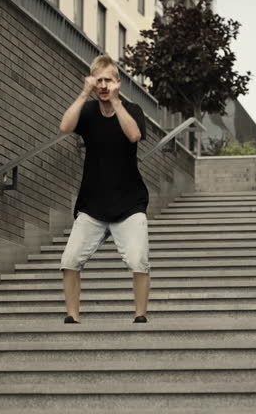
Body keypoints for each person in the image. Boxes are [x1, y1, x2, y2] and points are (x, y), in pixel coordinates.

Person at [58, 54, 151, 324]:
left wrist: (116, 102)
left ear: (117, 82)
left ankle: (140, 315)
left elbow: (134, 135)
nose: (102, 85)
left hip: (129, 202)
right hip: (92, 204)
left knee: (138, 260)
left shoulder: (132, 110)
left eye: (108, 80)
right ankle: (73, 316)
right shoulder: (88, 111)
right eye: (98, 81)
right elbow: (65, 127)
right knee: (69, 260)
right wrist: (83, 93)